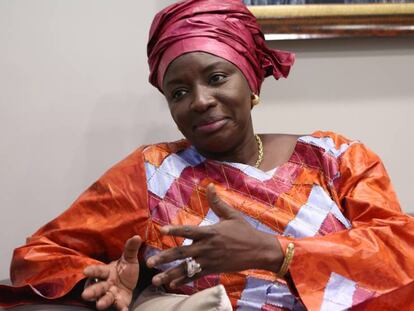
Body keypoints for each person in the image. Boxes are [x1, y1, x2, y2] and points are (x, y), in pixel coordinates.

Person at [1, 0, 414, 310]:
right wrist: (126, 277)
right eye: (178, 93)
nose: (199, 101)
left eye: (217, 78)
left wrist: (277, 252)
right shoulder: (152, 173)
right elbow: (37, 258)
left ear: (252, 82)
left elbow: (402, 251)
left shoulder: (337, 157)